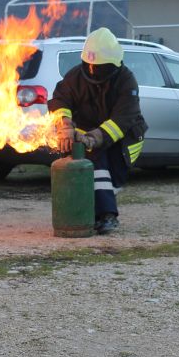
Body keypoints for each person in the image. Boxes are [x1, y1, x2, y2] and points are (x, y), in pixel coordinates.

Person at [48, 27, 147, 234]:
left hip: (122, 137)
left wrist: (93, 138)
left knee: (111, 178)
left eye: (98, 66)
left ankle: (99, 212)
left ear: (113, 64)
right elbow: (60, 100)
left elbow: (122, 120)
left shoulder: (126, 80)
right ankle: (105, 215)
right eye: (90, 65)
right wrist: (65, 125)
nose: (93, 70)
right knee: (95, 166)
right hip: (86, 135)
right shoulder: (75, 76)